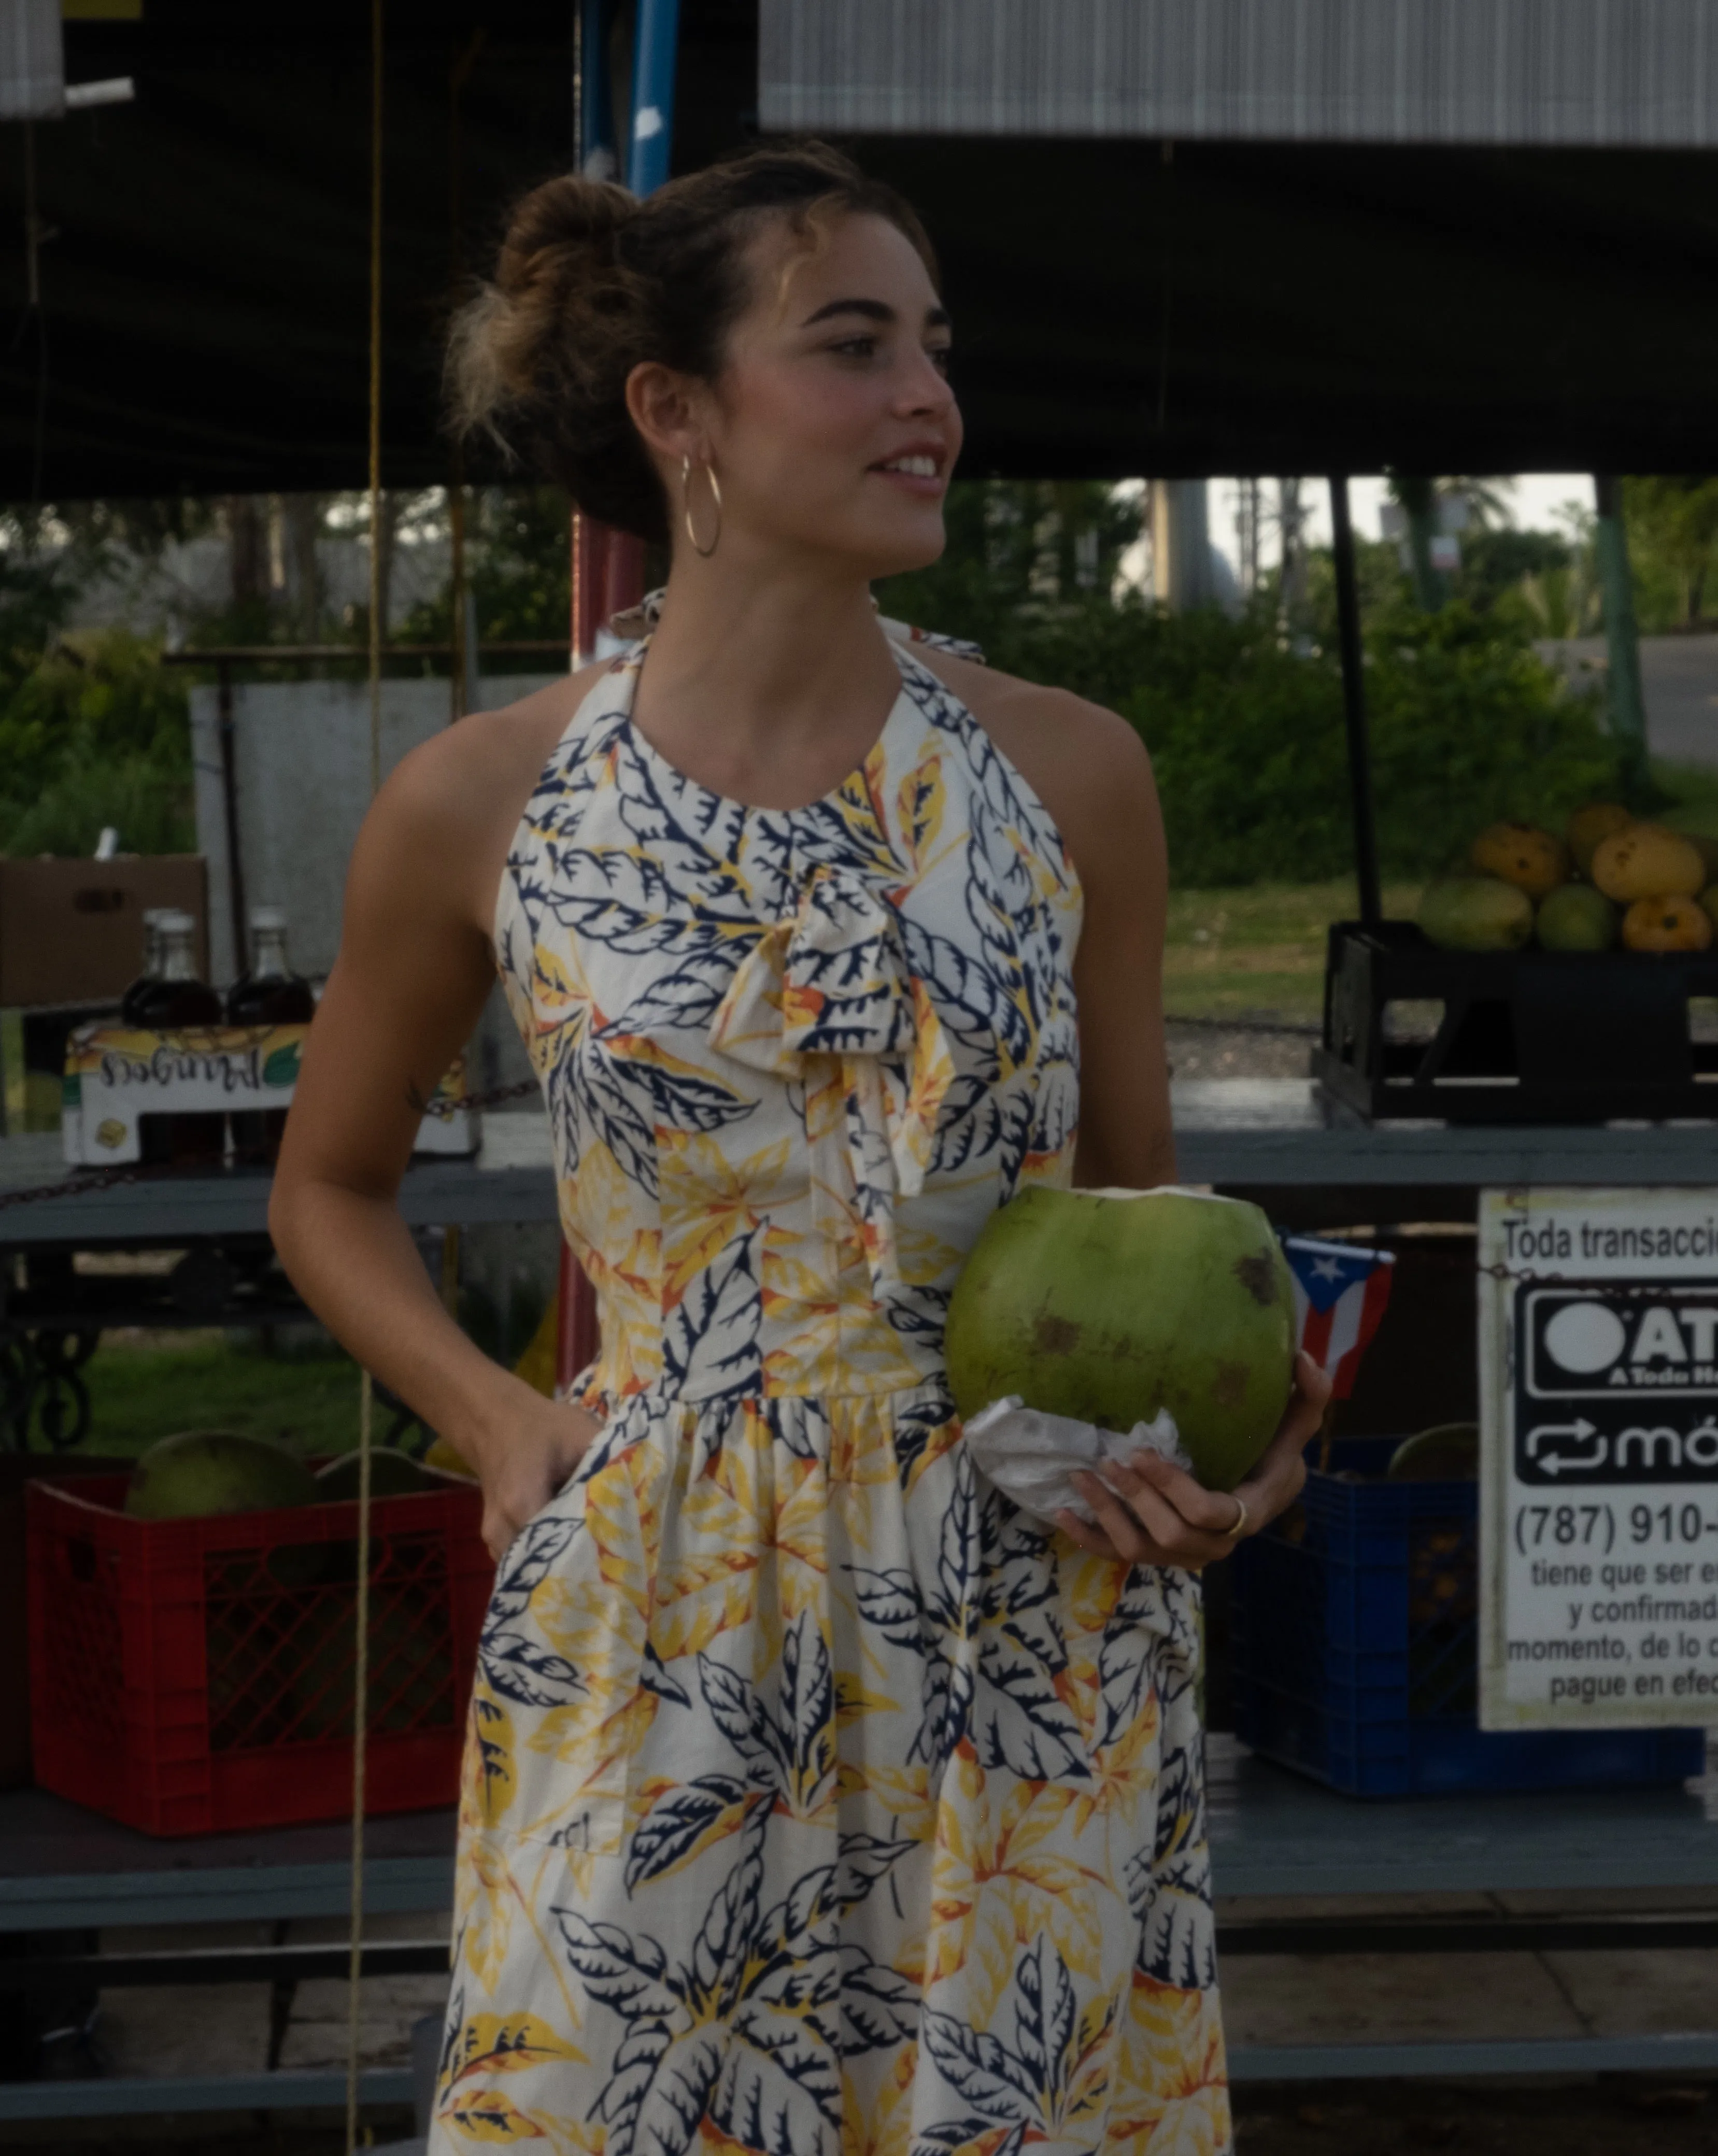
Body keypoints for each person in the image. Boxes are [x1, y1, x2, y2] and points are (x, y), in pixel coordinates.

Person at [269, 139, 1327, 2156]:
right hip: (656, 1616)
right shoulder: (481, 801)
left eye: (938, 345)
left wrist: (1240, 1455)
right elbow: (325, 1188)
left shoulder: (1072, 773)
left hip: (1026, 1615)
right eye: (855, 344)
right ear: (678, 412)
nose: (928, 393)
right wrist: (496, 1420)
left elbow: (1148, 1235)